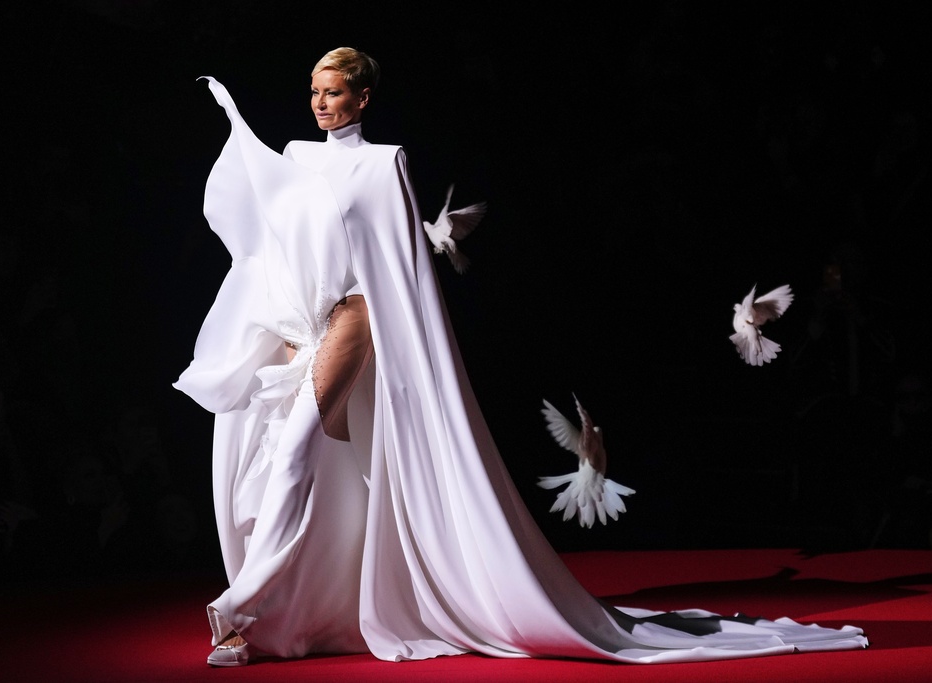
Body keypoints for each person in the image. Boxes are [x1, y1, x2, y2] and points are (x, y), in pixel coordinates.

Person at [174, 47, 868, 667]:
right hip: (306, 315)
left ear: (362, 98)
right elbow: (276, 244)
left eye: (334, 92)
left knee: (296, 451)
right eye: (315, 91)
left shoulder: (384, 164)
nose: (321, 103)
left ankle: (240, 606)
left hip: (356, 318)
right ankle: (301, 609)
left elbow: (403, 272)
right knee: (297, 464)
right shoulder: (297, 156)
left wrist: (421, 365)